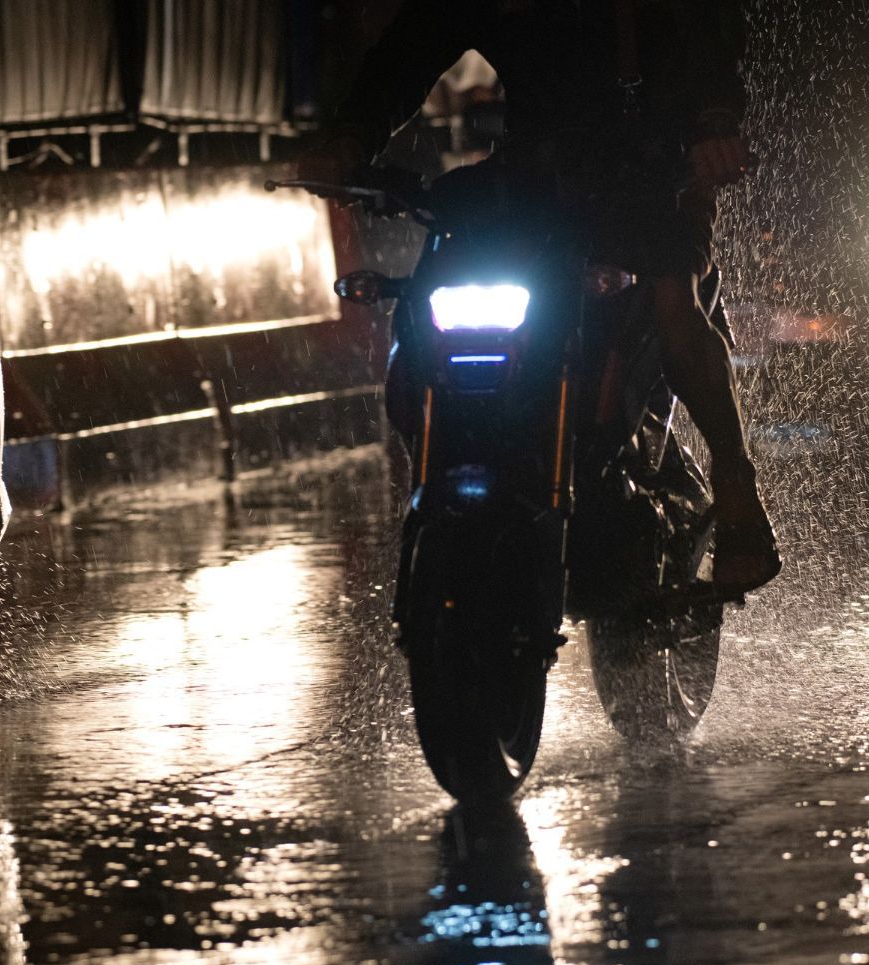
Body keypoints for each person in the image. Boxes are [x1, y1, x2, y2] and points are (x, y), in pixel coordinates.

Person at [298, 0, 779, 597]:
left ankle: (735, 483)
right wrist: (351, 136)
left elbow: (708, 34)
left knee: (672, 302)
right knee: (433, 287)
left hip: (656, 167)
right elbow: (412, 47)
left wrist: (713, 127)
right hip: (535, 176)